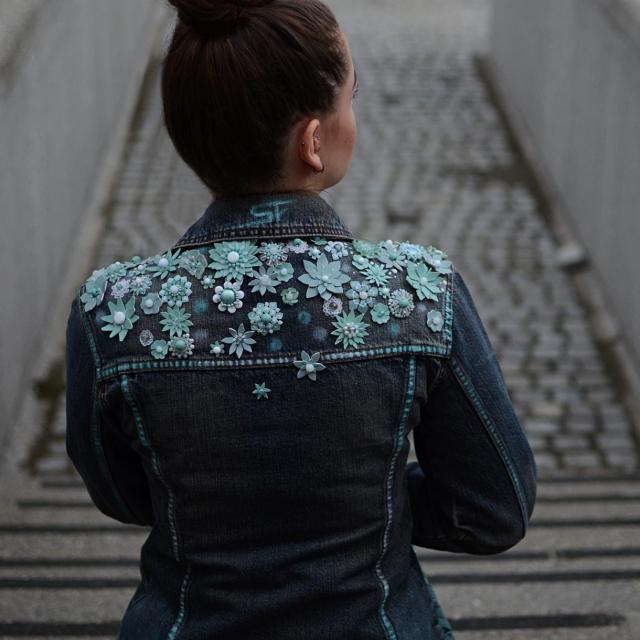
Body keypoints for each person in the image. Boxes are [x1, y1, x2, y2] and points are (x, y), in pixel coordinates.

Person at [64, 1, 538, 638]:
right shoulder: (421, 294)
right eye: (352, 97)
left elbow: (123, 496)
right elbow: (493, 509)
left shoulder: (112, 312)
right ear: (313, 140)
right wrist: (370, 502)